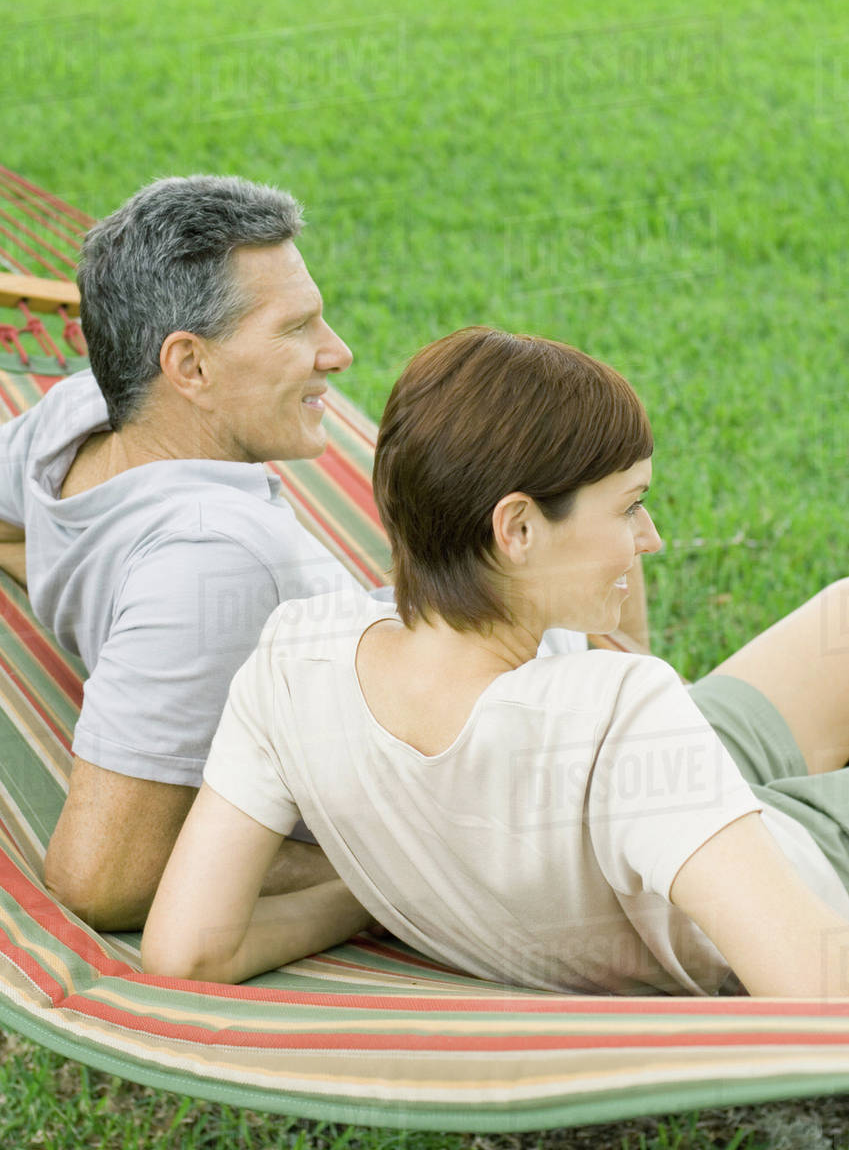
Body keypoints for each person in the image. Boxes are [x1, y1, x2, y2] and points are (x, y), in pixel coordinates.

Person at [142, 325, 849, 997]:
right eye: (629, 507)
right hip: (788, 866)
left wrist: (375, 897)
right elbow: (818, 990)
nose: (652, 538)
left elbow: (188, 949)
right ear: (517, 528)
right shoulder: (616, 715)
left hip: (668, 807)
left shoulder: (292, 660)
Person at [0, 175, 365, 931]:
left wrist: (109, 604)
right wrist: (382, 883)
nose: (338, 354)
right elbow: (99, 880)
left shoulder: (75, 415)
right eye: (297, 328)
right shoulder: (210, 554)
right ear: (189, 366)